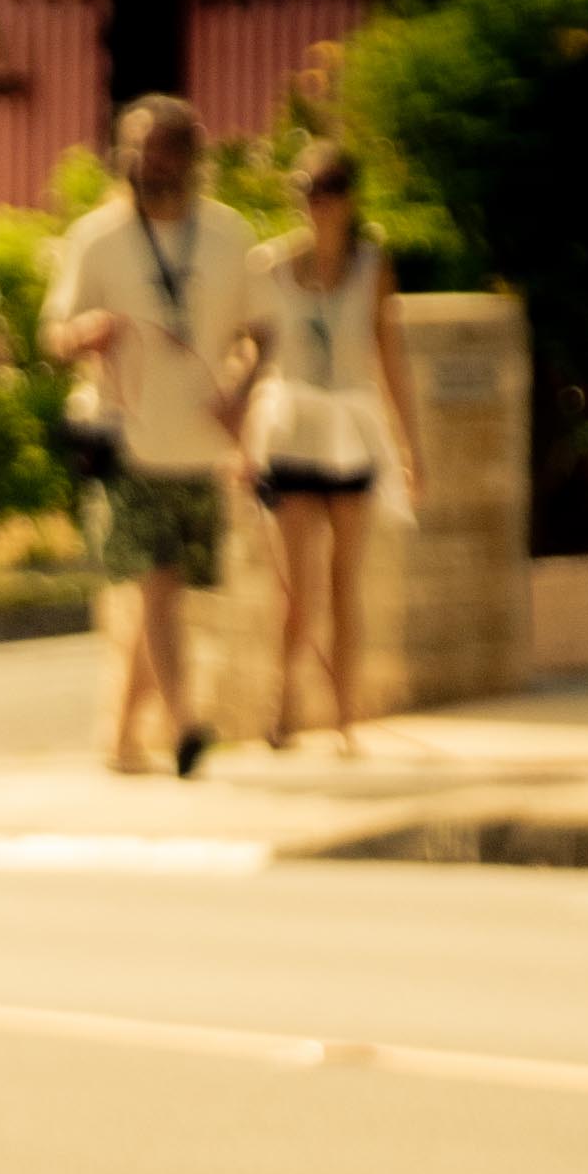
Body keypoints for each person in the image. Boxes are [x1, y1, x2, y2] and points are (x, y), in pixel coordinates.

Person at [44, 96, 265, 775]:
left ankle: (119, 737)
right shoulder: (95, 237)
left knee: (161, 599)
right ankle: (185, 725)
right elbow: (54, 335)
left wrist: (242, 392)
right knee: (158, 585)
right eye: (135, 149)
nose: (146, 163)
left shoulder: (229, 236)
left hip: (199, 447)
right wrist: (85, 333)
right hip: (125, 441)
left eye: (162, 149)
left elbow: (265, 334)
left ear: (192, 157)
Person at [246, 142, 422, 753]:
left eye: (330, 189)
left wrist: (411, 448)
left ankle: (346, 719)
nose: (319, 202)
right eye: (309, 189)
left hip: (350, 435)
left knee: (346, 581)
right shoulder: (270, 266)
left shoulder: (373, 268)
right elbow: (251, 357)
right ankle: (283, 708)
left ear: (350, 198)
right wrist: (240, 439)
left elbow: (390, 359)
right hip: (292, 433)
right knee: (298, 589)